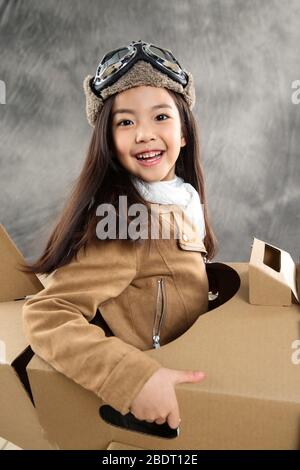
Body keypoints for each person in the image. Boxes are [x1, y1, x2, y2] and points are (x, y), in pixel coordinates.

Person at [21, 40, 218, 430]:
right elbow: (48, 314)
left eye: (161, 117)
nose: (144, 134)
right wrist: (133, 378)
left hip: (200, 382)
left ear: (183, 134)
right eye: (126, 122)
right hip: (155, 414)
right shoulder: (124, 221)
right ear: (109, 143)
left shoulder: (181, 199)